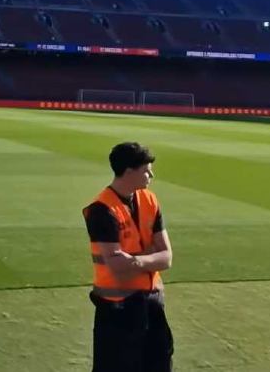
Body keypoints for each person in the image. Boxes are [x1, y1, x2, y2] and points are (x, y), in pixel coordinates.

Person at [83, 142, 174, 371]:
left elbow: (167, 257)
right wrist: (150, 257)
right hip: (117, 309)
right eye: (146, 170)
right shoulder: (101, 210)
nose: (151, 175)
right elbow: (116, 266)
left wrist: (135, 260)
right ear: (129, 171)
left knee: (159, 361)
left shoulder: (150, 200)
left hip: (152, 302)